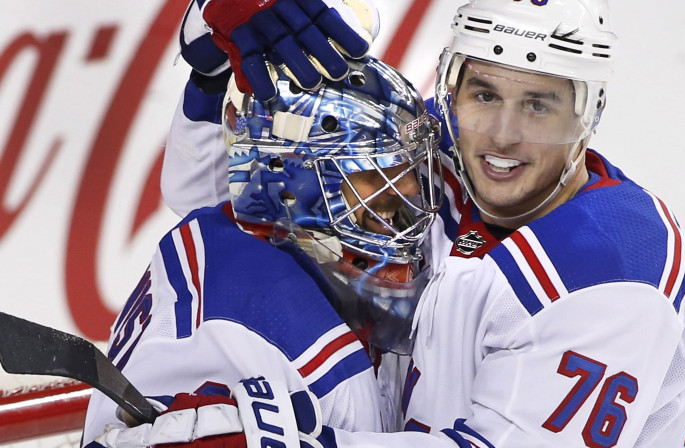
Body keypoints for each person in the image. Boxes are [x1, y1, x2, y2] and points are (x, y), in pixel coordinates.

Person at [153, 0, 685, 445]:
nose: (501, 135)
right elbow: (215, 198)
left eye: (538, 105)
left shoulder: (615, 272)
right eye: (484, 93)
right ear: (449, 87)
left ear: (587, 116)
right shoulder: (427, 147)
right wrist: (214, 72)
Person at [82, 55, 443, 447]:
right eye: (375, 172)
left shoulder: (262, 247)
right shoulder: (234, 326)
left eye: (408, 168)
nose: (408, 190)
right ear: (290, 181)